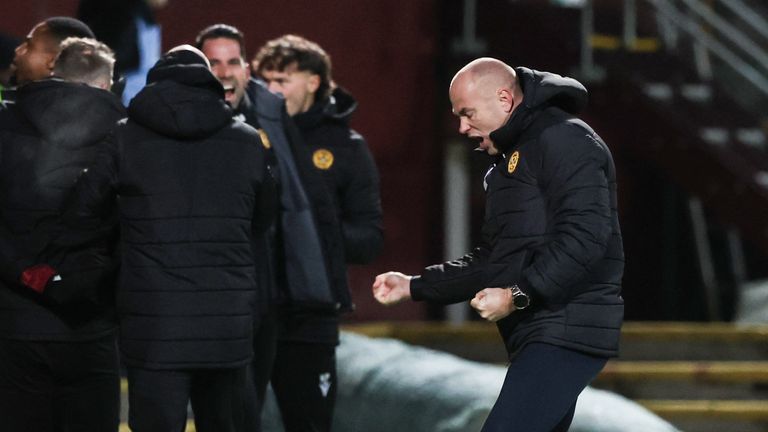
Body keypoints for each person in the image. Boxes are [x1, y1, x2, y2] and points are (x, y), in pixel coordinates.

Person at [372, 57, 624, 432]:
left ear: (505, 99)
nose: (462, 126)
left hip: (567, 328)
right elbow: (493, 260)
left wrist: (516, 296)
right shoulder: (510, 160)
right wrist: (414, 286)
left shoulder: (564, 138)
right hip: (539, 331)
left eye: (467, 113)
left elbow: (585, 237)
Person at [54, 45, 275, 432]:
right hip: (226, 324)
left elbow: (80, 212)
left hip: (153, 323)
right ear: (209, 83)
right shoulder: (247, 140)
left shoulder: (124, 138)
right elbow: (266, 217)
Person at [195, 24, 350, 430]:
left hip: (277, 304)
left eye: (233, 61)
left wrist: (320, 274)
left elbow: (308, 210)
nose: (224, 71)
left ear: (246, 68)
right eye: (213, 62)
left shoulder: (273, 118)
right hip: (209, 303)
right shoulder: (177, 126)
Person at [253, 34, 383, 432]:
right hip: (251, 311)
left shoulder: (345, 147)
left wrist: (314, 236)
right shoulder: (242, 138)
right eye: (266, 81)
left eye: (282, 81)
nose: (271, 91)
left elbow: (369, 239)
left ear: (313, 82)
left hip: (310, 317)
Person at [0, 20, 125, 432]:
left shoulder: (5, 125)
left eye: (29, 44)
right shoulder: (126, 135)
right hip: (93, 324)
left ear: (54, 62)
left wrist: (29, 274)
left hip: (17, 323)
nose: (18, 51)